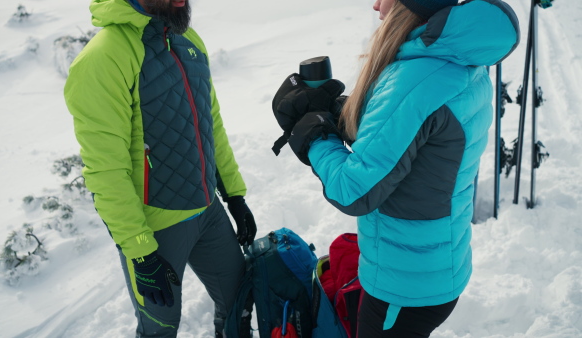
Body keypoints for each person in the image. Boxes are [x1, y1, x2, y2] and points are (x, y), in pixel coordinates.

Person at [272, 0, 520, 336]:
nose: (375, 4)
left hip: (404, 289)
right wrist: (337, 109)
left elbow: (353, 190)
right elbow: (409, 137)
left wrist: (315, 136)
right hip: (435, 268)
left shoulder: (415, 78)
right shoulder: (460, 59)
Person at [64, 0, 257, 337]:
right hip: (156, 231)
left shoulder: (188, 40)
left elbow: (211, 127)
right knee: (159, 330)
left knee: (239, 303)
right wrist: (140, 252)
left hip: (208, 214)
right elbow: (106, 171)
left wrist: (235, 196)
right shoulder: (103, 57)